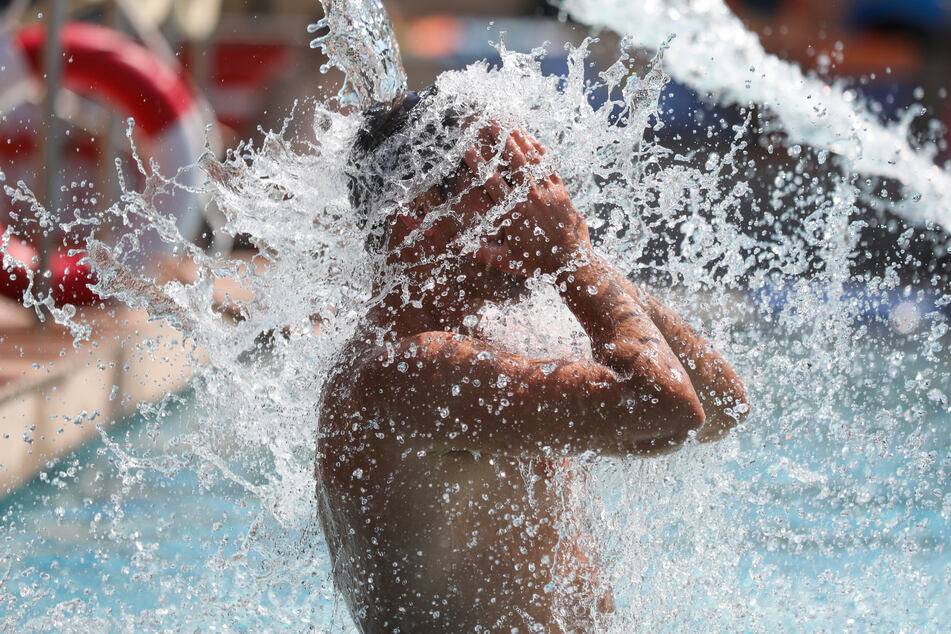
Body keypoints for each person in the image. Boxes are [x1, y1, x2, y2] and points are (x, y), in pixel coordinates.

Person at [317, 87, 749, 633]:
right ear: (417, 217)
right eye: (506, 190)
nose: (535, 204)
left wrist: (572, 255)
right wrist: (573, 258)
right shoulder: (403, 370)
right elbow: (667, 407)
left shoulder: (503, 330)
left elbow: (724, 406)